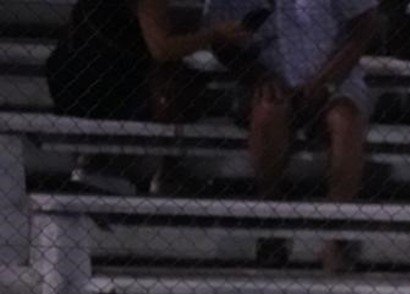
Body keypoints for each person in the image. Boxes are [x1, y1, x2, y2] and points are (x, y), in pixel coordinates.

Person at [211, 0, 379, 272]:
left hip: (334, 72)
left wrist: (327, 81)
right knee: (268, 111)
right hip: (271, 74)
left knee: (345, 121)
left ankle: (335, 233)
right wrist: (259, 76)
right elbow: (220, 42)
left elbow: (366, 24)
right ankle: (272, 221)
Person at [46, 0, 252, 193]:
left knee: (180, 57)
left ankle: (100, 158)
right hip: (98, 88)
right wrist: (213, 35)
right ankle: (167, 170)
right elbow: (162, 49)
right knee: (175, 75)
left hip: (70, 82)